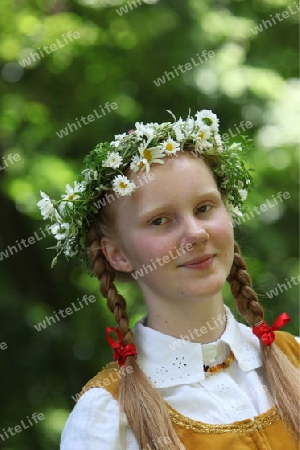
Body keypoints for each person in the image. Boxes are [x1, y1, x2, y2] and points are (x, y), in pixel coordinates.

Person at [38, 110, 299, 450]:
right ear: (117, 254)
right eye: (160, 220)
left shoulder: (292, 357)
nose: (195, 233)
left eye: (205, 208)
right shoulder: (108, 418)